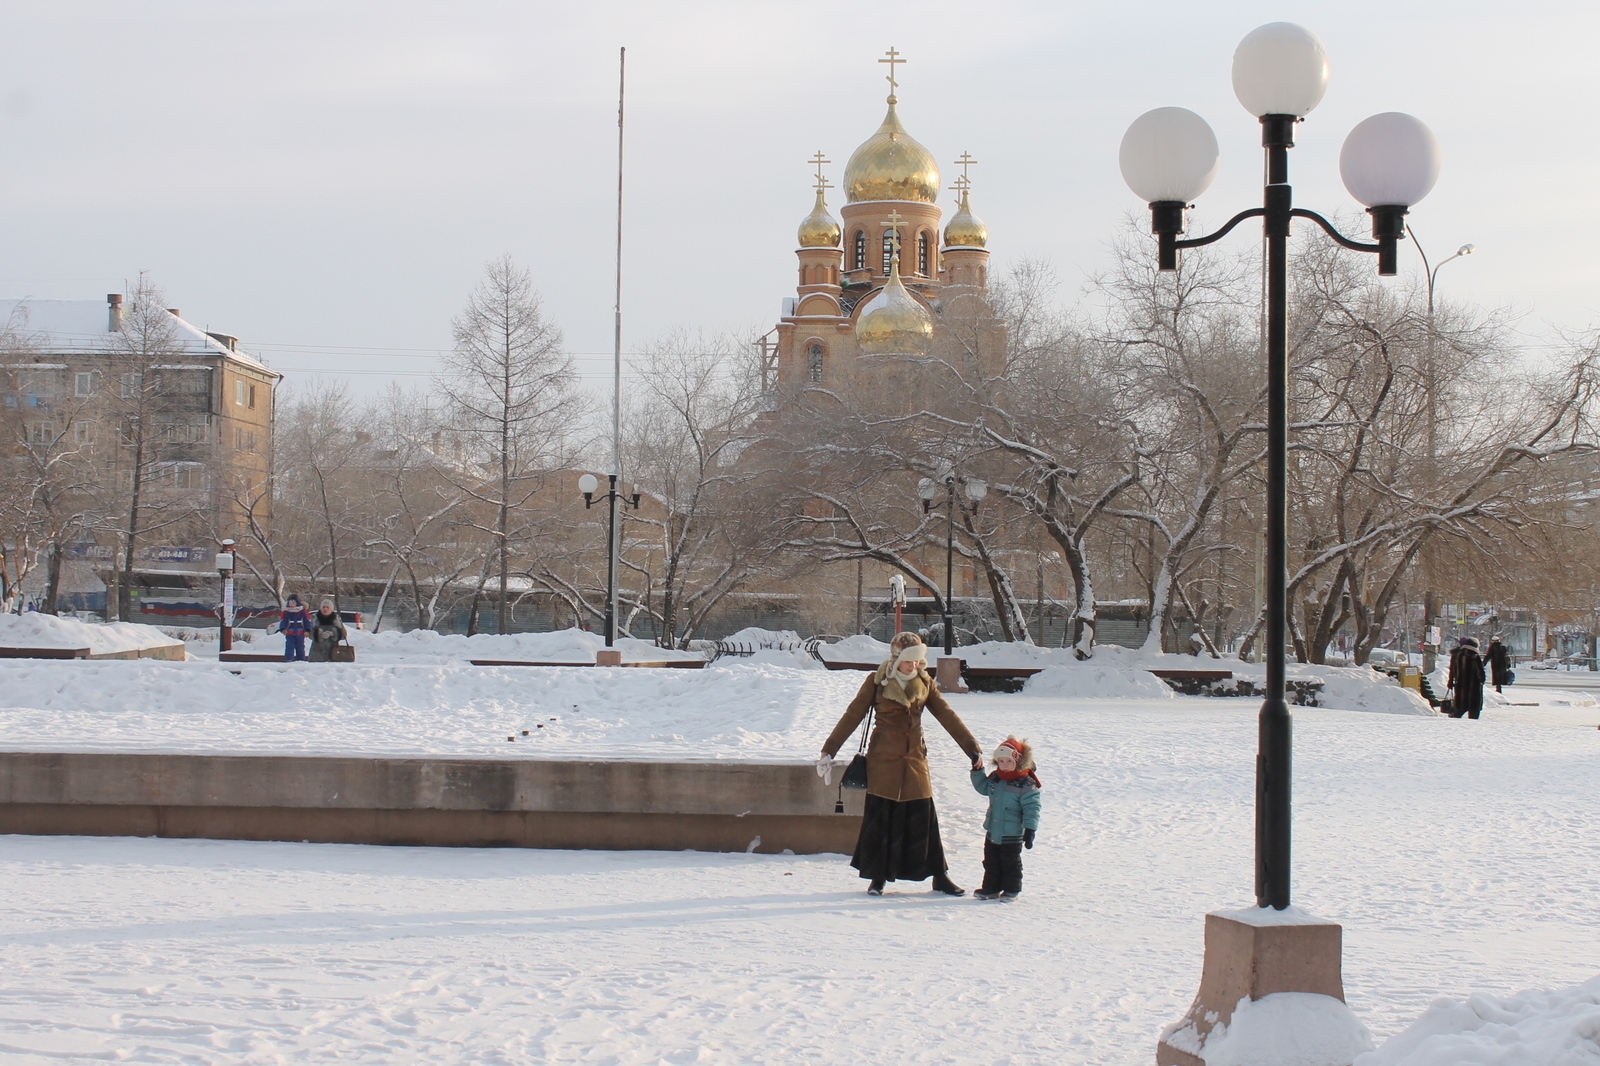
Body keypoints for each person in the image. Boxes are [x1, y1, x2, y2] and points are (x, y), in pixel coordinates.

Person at [818, 631, 981, 897]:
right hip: (883, 763)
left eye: (917, 660)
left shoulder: (925, 682)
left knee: (924, 820)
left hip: (915, 761)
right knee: (882, 820)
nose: (913, 665)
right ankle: (878, 877)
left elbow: (947, 716)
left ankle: (940, 877)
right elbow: (853, 714)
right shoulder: (877, 681)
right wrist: (829, 750)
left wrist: (972, 748)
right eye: (909, 660)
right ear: (896, 658)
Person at [970, 736, 1041, 901]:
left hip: (1013, 833)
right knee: (991, 862)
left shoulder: (1026, 783)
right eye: (1001, 761)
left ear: (1019, 761)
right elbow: (982, 787)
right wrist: (977, 770)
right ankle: (991, 888)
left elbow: (1032, 808)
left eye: (1009, 761)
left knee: (1010, 863)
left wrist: (1030, 830)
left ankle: (1011, 889)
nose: (1004, 765)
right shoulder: (996, 777)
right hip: (994, 831)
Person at [1447, 636, 1487, 719]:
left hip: (1461, 685)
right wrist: (1482, 680)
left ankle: (1455, 717)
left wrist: (1451, 681)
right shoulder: (1475, 656)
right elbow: (1480, 672)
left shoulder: (1459, 655)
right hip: (1474, 687)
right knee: (1474, 710)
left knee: (1461, 706)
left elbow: (1453, 669)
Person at [279, 596, 311, 662]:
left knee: (300, 648)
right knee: (289, 647)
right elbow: (284, 621)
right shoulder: (286, 612)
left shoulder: (302, 612)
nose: (292, 604)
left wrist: (308, 630)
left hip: (300, 633)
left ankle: (301, 660)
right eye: (290, 603)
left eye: (293, 602)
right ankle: (289, 659)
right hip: (289, 633)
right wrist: (283, 629)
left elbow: (306, 621)